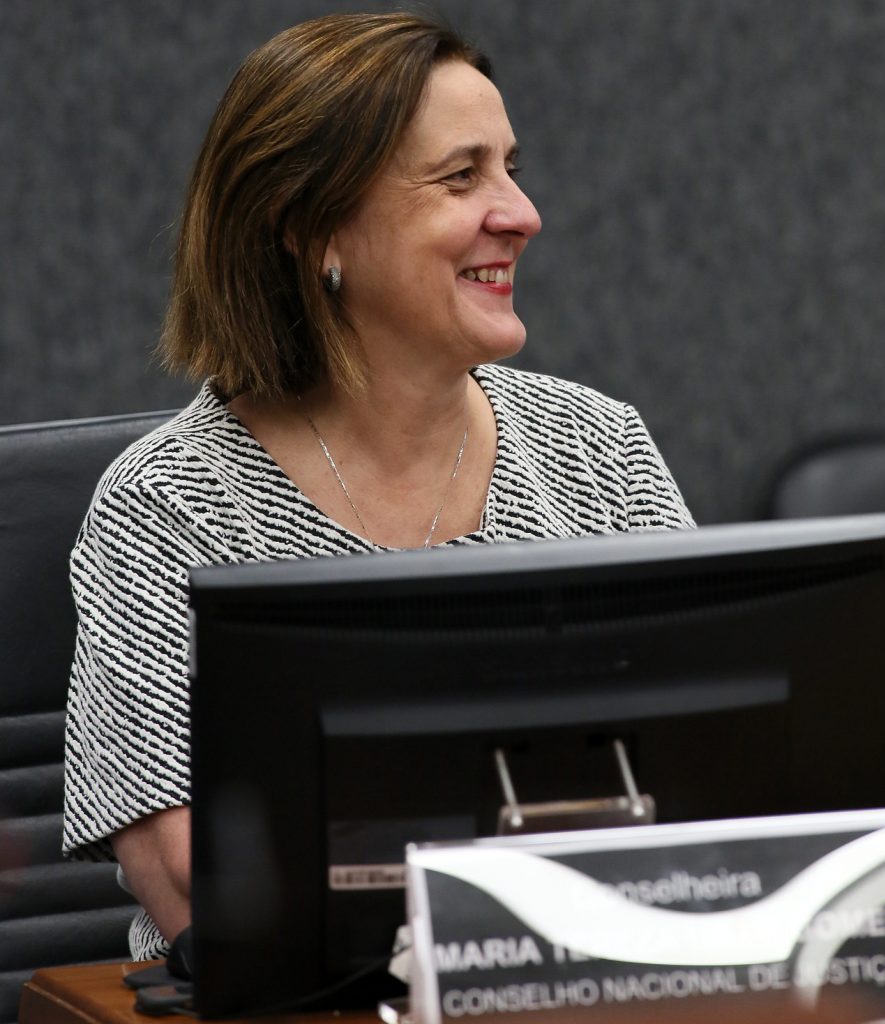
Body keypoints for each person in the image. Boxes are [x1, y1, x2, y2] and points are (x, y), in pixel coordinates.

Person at [62, 12, 694, 962]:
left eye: (512, 168)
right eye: (461, 176)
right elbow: (191, 877)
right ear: (313, 226)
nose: (521, 213)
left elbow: (723, 789)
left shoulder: (598, 449)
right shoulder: (170, 505)